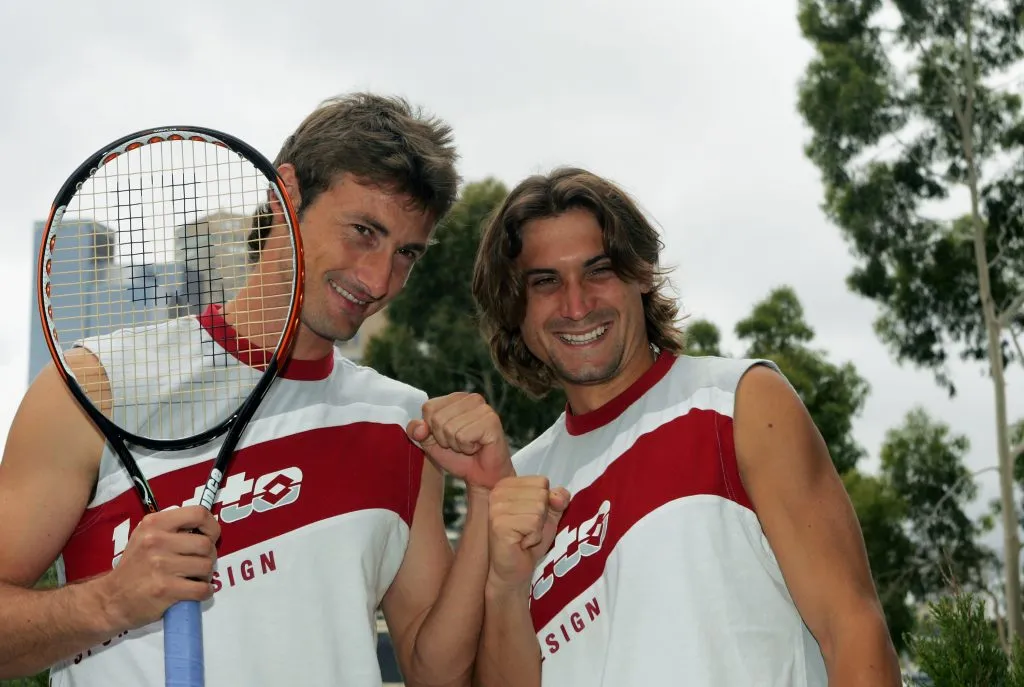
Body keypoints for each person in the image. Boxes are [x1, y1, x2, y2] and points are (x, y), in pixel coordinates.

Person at [0, 93, 514, 686]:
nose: (378, 279)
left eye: (406, 254)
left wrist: (483, 500)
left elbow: (436, 674)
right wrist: (109, 602)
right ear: (286, 194)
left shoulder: (403, 424)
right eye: (363, 231)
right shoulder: (97, 387)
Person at [469, 167, 902, 686]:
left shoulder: (738, 403)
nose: (577, 305)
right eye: (545, 282)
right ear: (516, 306)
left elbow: (851, 628)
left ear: (643, 272)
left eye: (599, 271)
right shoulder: (519, 483)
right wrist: (505, 587)